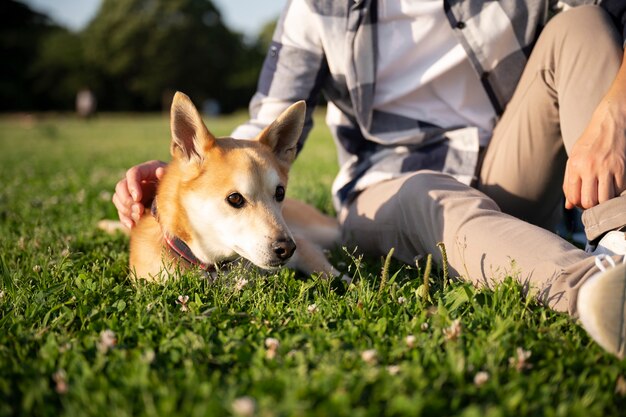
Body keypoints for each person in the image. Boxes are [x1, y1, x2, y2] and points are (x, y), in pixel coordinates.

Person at [113, 1, 626, 358]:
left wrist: (616, 108)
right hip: (392, 188)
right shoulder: (319, 7)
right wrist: (183, 172)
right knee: (428, 190)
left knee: (583, 23)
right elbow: (265, 127)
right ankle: (597, 291)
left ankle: (619, 242)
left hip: (509, 170)